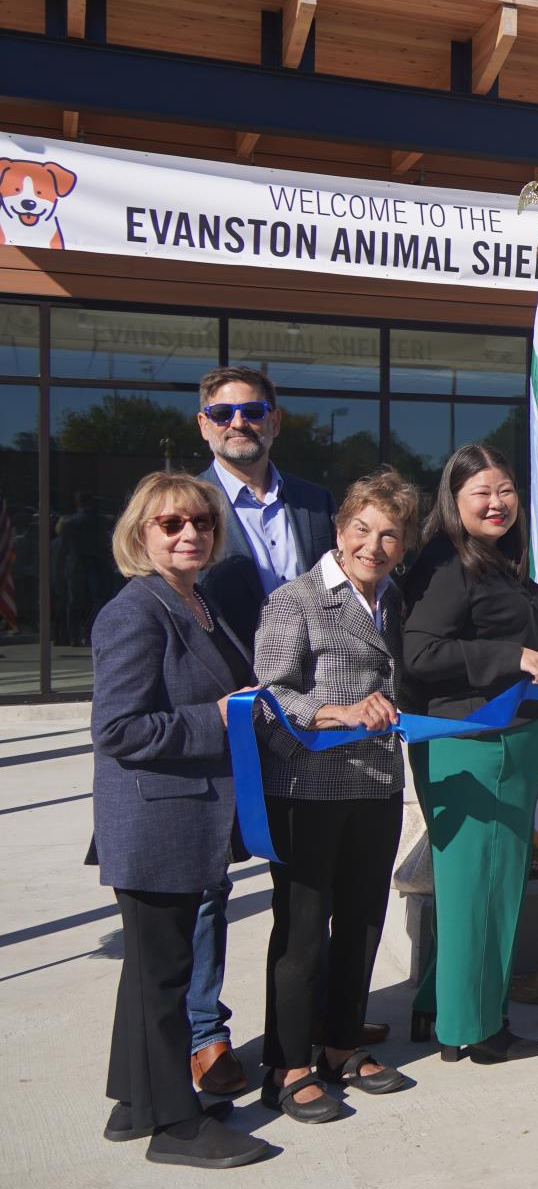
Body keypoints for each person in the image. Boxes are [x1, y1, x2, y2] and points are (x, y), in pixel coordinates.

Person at [89, 471, 270, 1168]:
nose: (190, 533)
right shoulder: (135, 611)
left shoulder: (197, 603)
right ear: (141, 534)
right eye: (171, 524)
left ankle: (134, 1103)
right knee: (166, 978)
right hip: (154, 820)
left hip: (187, 817)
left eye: (200, 522)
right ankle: (177, 1126)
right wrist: (217, 718)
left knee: (151, 971)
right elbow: (121, 731)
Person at [252, 469, 421, 1120]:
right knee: (302, 934)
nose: (374, 545)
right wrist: (340, 711)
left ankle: (341, 1043)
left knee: (362, 922)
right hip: (307, 789)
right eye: (362, 529)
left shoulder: (395, 601)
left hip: (376, 786)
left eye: (389, 535)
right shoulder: (293, 601)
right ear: (340, 527)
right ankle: (289, 1064)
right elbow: (270, 697)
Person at [190, 366, 340, 1097]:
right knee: (209, 884)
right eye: (224, 412)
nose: (238, 422)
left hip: (309, 717)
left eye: (253, 410)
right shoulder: (183, 508)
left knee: (308, 877)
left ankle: (308, 1019)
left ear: (275, 420)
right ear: (204, 424)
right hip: (225, 717)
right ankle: (205, 1035)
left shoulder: (315, 503)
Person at [402, 443, 538, 1064]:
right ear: (453, 500)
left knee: (477, 886)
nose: (497, 503)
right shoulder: (446, 564)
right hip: (472, 742)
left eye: (506, 490)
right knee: (480, 889)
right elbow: (420, 654)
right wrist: (508, 657)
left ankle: (443, 1005)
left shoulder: (498, 559)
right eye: (481, 493)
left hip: (510, 739)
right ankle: (475, 1028)